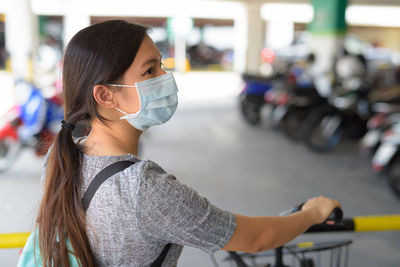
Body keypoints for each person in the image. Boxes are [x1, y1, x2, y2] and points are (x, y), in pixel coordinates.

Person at [36, 20, 341, 267]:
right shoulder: (143, 189)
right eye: (149, 70)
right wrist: (313, 213)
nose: (165, 78)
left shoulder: (62, 155)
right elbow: (256, 238)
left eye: (161, 65)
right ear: (105, 95)